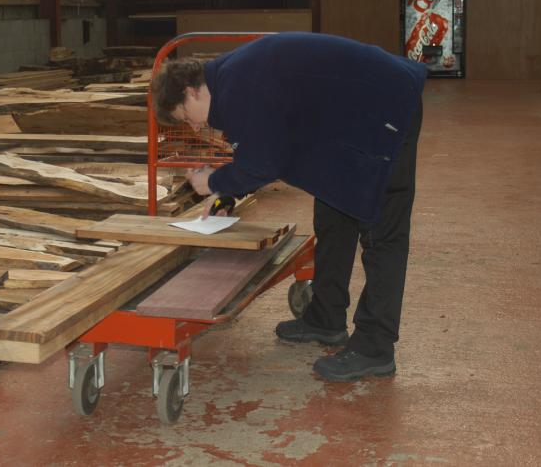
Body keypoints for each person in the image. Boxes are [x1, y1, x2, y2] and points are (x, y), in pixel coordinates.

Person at [150, 32, 426, 382]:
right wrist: (227, 195)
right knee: (333, 211)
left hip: (388, 105)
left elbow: (265, 162)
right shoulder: (229, 81)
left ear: (191, 92)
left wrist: (215, 181)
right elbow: (262, 146)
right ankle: (326, 317)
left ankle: (376, 347)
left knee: (382, 235)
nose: (194, 126)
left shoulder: (237, 87)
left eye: (187, 117)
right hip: (353, 115)